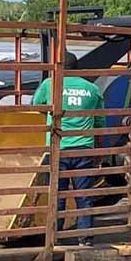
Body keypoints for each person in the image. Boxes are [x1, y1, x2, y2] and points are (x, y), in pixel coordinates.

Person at [32, 51, 105, 245]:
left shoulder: (50, 84)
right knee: (84, 196)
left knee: (57, 196)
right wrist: (99, 150)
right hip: (84, 149)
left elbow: (36, 104)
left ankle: (55, 239)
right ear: (77, 67)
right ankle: (86, 239)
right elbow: (100, 122)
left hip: (57, 148)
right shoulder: (92, 88)